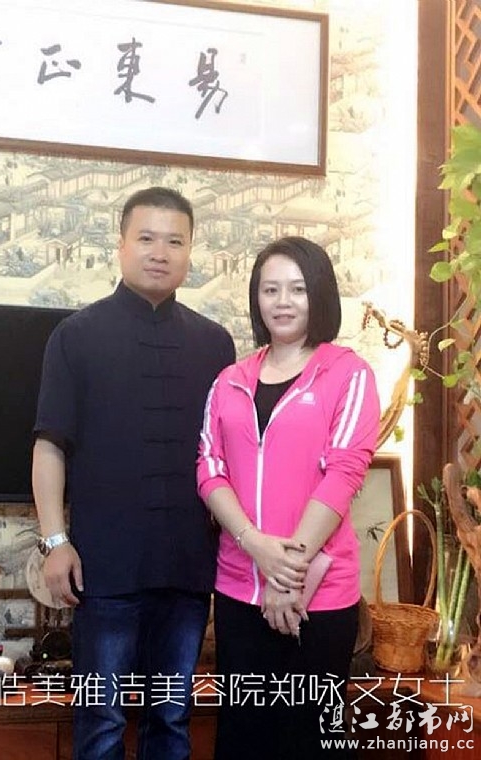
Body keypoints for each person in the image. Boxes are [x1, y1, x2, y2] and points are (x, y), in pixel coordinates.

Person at [32, 186, 235, 760]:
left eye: (175, 241)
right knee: (100, 723)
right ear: (121, 245)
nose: (160, 252)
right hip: (104, 569)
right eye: (146, 238)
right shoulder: (76, 335)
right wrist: (55, 542)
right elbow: (49, 446)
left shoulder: (214, 344)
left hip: (187, 570)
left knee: (170, 720)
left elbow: (227, 456)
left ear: (190, 252)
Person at [196, 236, 380, 759]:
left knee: (309, 740)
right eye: (270, 289)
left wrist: (287, 575)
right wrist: (254, 545)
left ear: (319, 295)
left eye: (297, 289)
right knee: (242, 739)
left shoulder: (348, 374)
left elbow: (344, 473)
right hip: (239, 591)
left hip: (318, 597)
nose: (282, 302)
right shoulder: (230, 380)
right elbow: (209, 468)